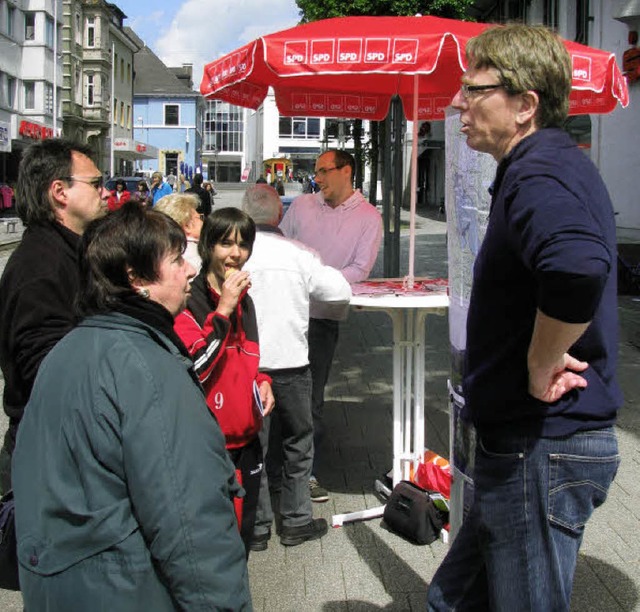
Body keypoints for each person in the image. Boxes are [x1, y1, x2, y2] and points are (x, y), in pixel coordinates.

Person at [426, 24, 622, 611]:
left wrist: (540, 363)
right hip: (523, 445)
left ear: (524, 105)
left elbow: (578, 264)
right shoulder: (539, 166)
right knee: (450, 600)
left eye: (473, 89)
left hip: (541, 445)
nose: (458, 102)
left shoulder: (539, 170)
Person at [12, 204, 250, 610]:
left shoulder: (67, 351)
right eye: (176, 260)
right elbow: (191, 525)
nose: (189, 270)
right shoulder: (148, 368)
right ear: (136, 278)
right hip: (126, 592)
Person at [242, 184, 351, 551]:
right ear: (279, 216)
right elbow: (338, 292)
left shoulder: (233, 253)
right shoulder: (299, 254)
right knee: (296, 445)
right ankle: (295, 521)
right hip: (291, 364)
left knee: (251, 448)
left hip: (248, 368)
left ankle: (255, 528)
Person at [0, 138, 109, 493]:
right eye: (95, 184)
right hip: (51, 455)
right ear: (59, 192)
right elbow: (46, 372)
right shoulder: (40, 267)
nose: (105, 192)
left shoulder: (72, 252)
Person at [280, 149, 382, 502]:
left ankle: (304, 474)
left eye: (324, 171)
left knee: (311, 397)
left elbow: (360, 270)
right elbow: (279, 244)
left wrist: (312, 283)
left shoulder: (369, 218)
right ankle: (276, 468)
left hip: (322, 319)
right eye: (317, 172)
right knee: (275, 390)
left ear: (346, 172)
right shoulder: (302, 206)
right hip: (283, 312)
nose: (317, 178)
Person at [174, 207, 275, 556]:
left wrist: (262, 382)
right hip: (208, 446)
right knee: (211, 547)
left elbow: (249, 358)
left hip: (248, 439)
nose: (236, 253)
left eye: (243, 244)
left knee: (242, 541)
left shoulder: (246, 302)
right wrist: (224, 310)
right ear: (206, 246)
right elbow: (197, 368)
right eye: (225, 243)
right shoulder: (189, 301)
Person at [155, 192, 203, 272]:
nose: (203, 221)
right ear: (187, 225)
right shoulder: (193, 255)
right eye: (200, 218)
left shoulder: (159, 249)